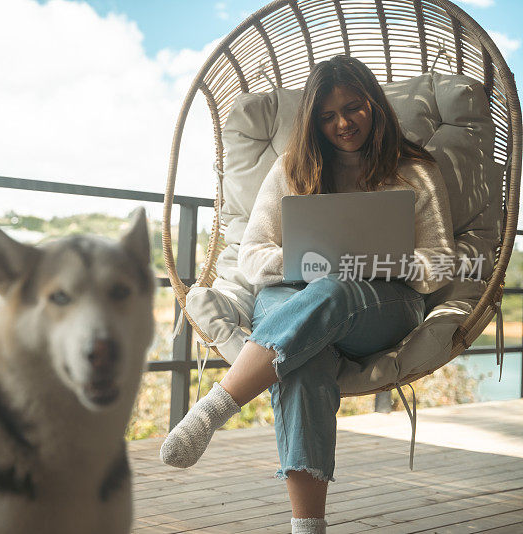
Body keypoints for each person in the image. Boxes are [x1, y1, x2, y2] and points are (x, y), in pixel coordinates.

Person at [159, 55, 456, 534]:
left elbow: (440, 262)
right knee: (304, 360)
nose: (342, 123)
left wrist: (375, 262)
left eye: (354, 108)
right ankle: (307, 528)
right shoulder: (291, 169)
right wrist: (308, 261)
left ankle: (215, 406)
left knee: (333, 291)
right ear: (312, 121)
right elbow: (254, 256)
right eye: (327, 115)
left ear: (375, 106)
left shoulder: (414, 172)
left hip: (382, 303)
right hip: (292, 296)